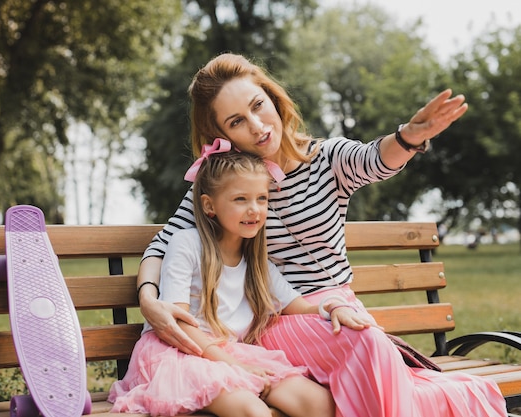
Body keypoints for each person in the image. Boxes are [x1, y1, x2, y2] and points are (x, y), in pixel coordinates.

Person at [137, 53, 507, 416]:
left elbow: (375, 160)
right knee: (367, 343)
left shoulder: (328, 159)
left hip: (333, 310)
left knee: (384, 358)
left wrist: (409, 138)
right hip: (278, 320)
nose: (256, 124)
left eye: (258, 105)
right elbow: (160, 247)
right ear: (222, 134)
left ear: (273, 98)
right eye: (237, 121)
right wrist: (149, 299)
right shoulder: (222, 187)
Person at [110, 145, 350, 417]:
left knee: (318, 404)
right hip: (180, 353)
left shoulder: (258, 265)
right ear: (209, 205)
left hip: (231, 354)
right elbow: (176, 324)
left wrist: (333, 305)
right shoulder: (186, 244)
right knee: (254, 412)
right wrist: (233, 364)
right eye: (240, 199)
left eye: (262, 198)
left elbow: (302, 306)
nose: (254, 209)